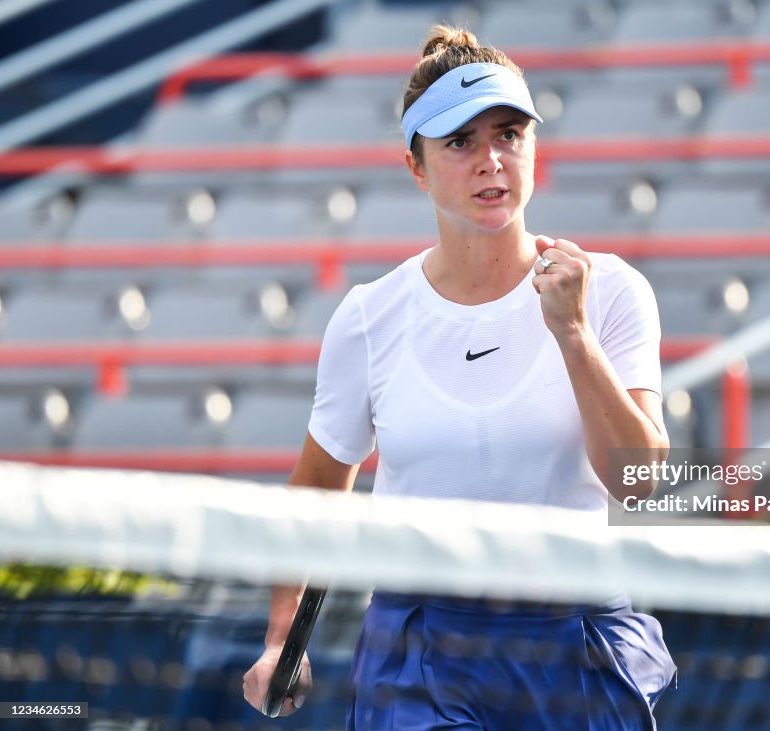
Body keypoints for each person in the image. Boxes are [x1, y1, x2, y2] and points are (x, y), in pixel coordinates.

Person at [243, 25, 677, 729]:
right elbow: (318, 489)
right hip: (419, 650)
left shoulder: (614, 292)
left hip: (578, 635)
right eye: (460, 142)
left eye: (509, 134)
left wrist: (572, 333)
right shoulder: (368, 318)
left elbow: (638, 480)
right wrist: (279, 640)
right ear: (416, 167)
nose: (491, 161)